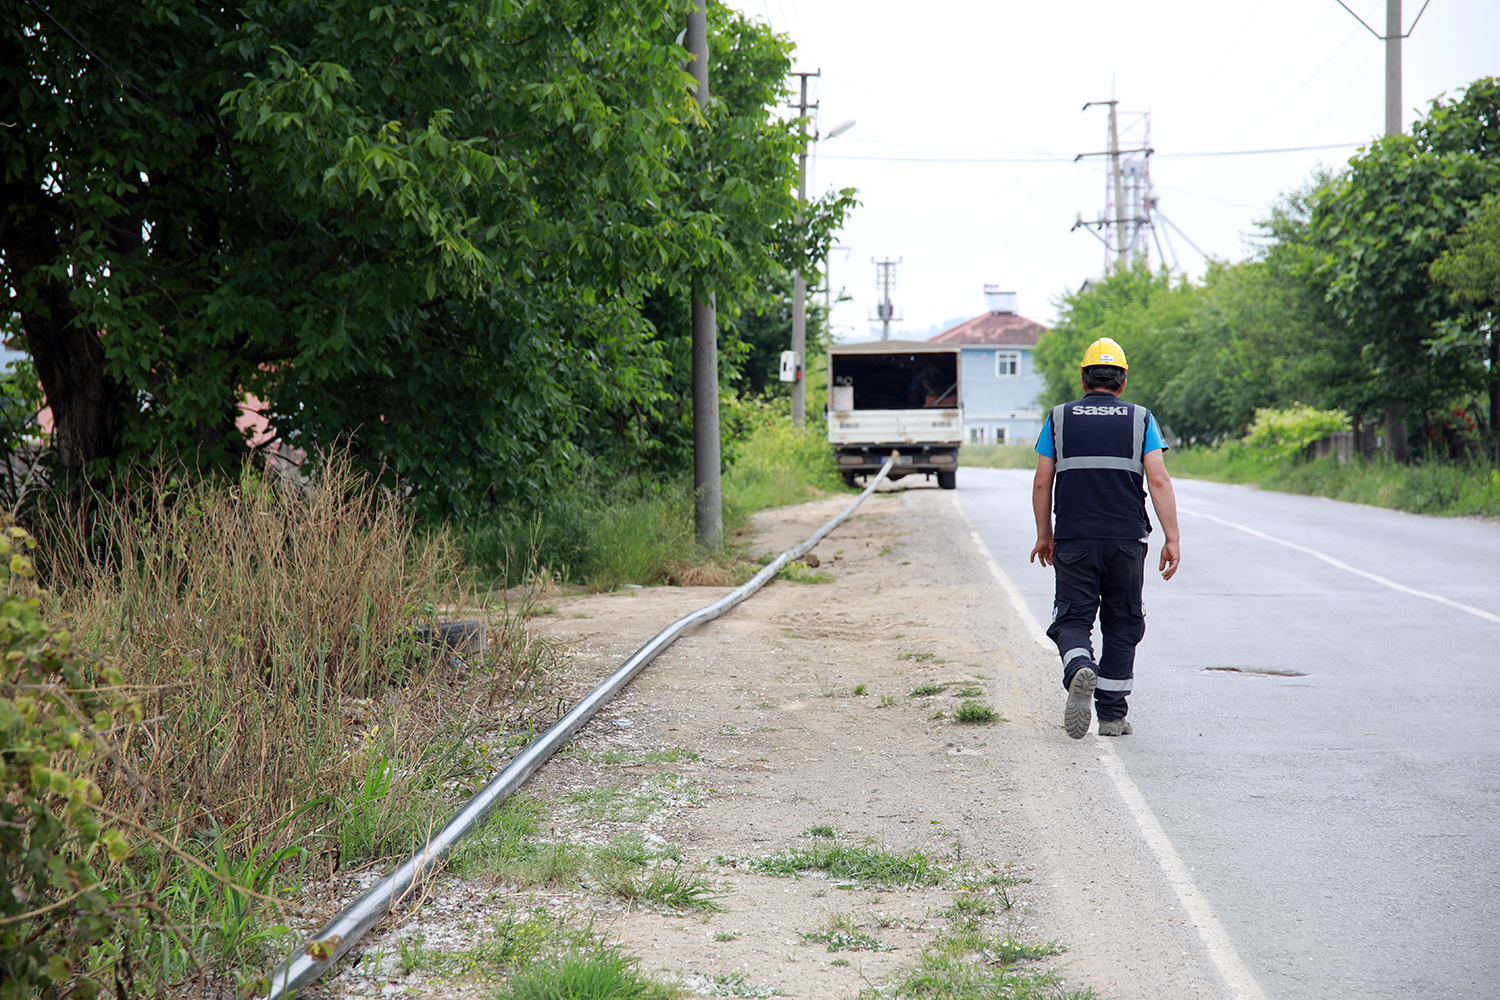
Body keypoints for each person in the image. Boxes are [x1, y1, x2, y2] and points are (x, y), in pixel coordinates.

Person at [1029, 337, 1181, 739]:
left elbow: (1043, 482)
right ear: (1123, 381)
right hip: (1126, 539)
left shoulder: (1059, 418)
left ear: (1083, 378)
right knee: (1123, 621)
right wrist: (1172, 538)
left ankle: (1080, 666)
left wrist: (1045, 535)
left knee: (1073, 618)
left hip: (1074, 538)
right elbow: (1160, 480)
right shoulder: (1141, 419)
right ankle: (1112, 717)